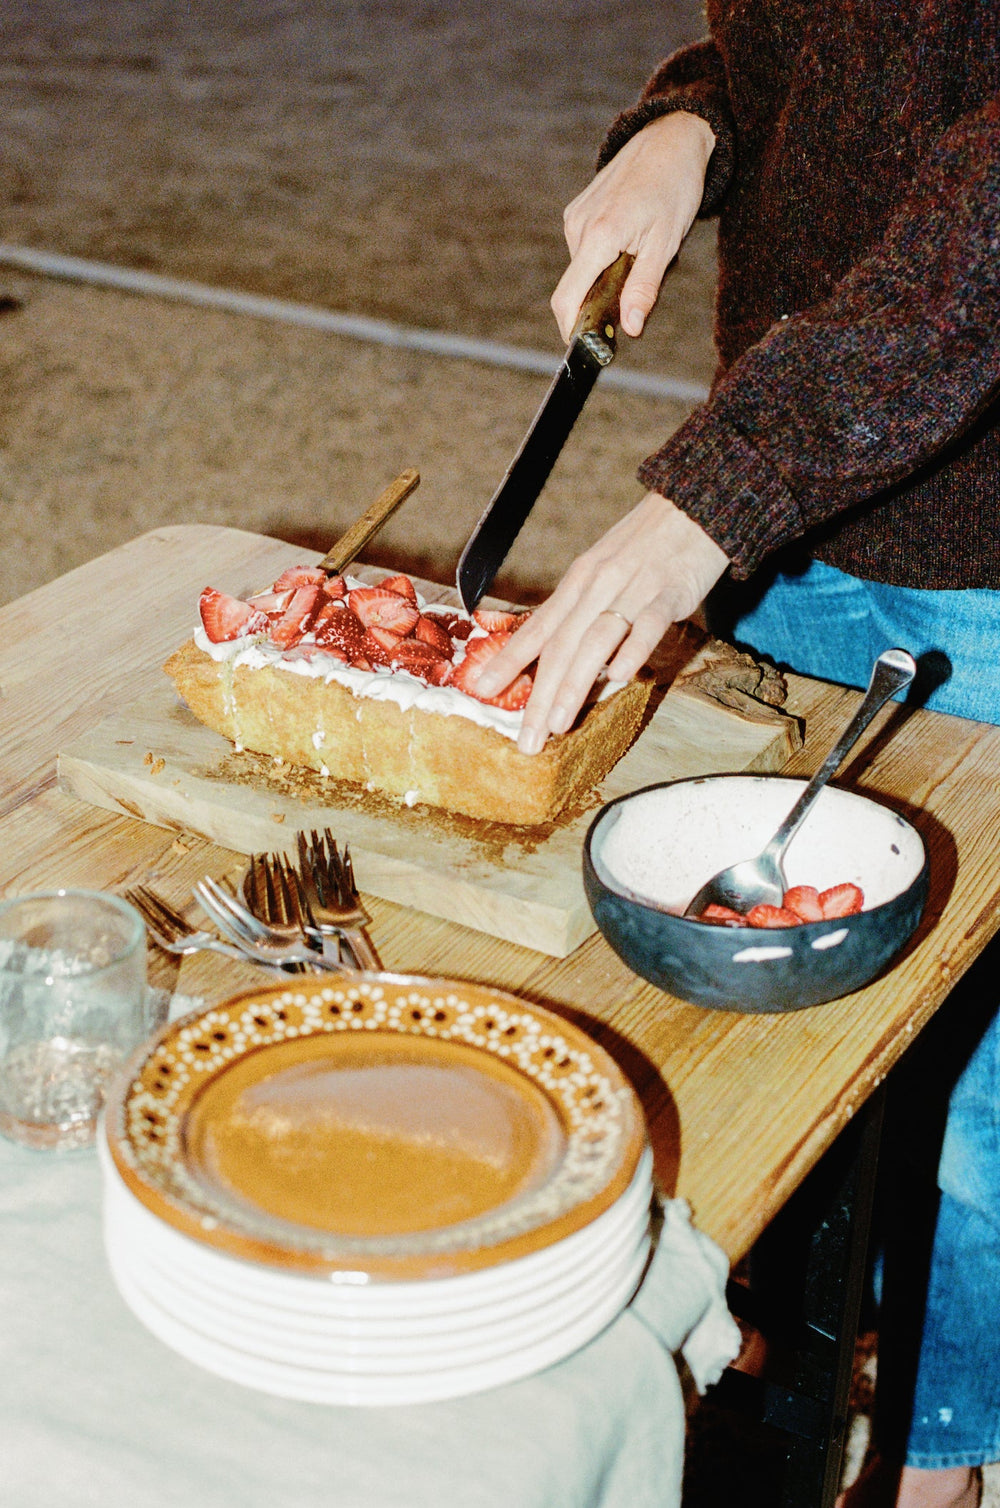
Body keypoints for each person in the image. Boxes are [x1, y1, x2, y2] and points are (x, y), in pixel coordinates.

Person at [474, 8, 1000, 1508]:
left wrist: (725, 485)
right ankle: (799, 1369)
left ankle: (939, 1461)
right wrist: (688, 124)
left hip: (974, 553)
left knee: (971, 1093)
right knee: (756, 1001)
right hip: (802, 512)